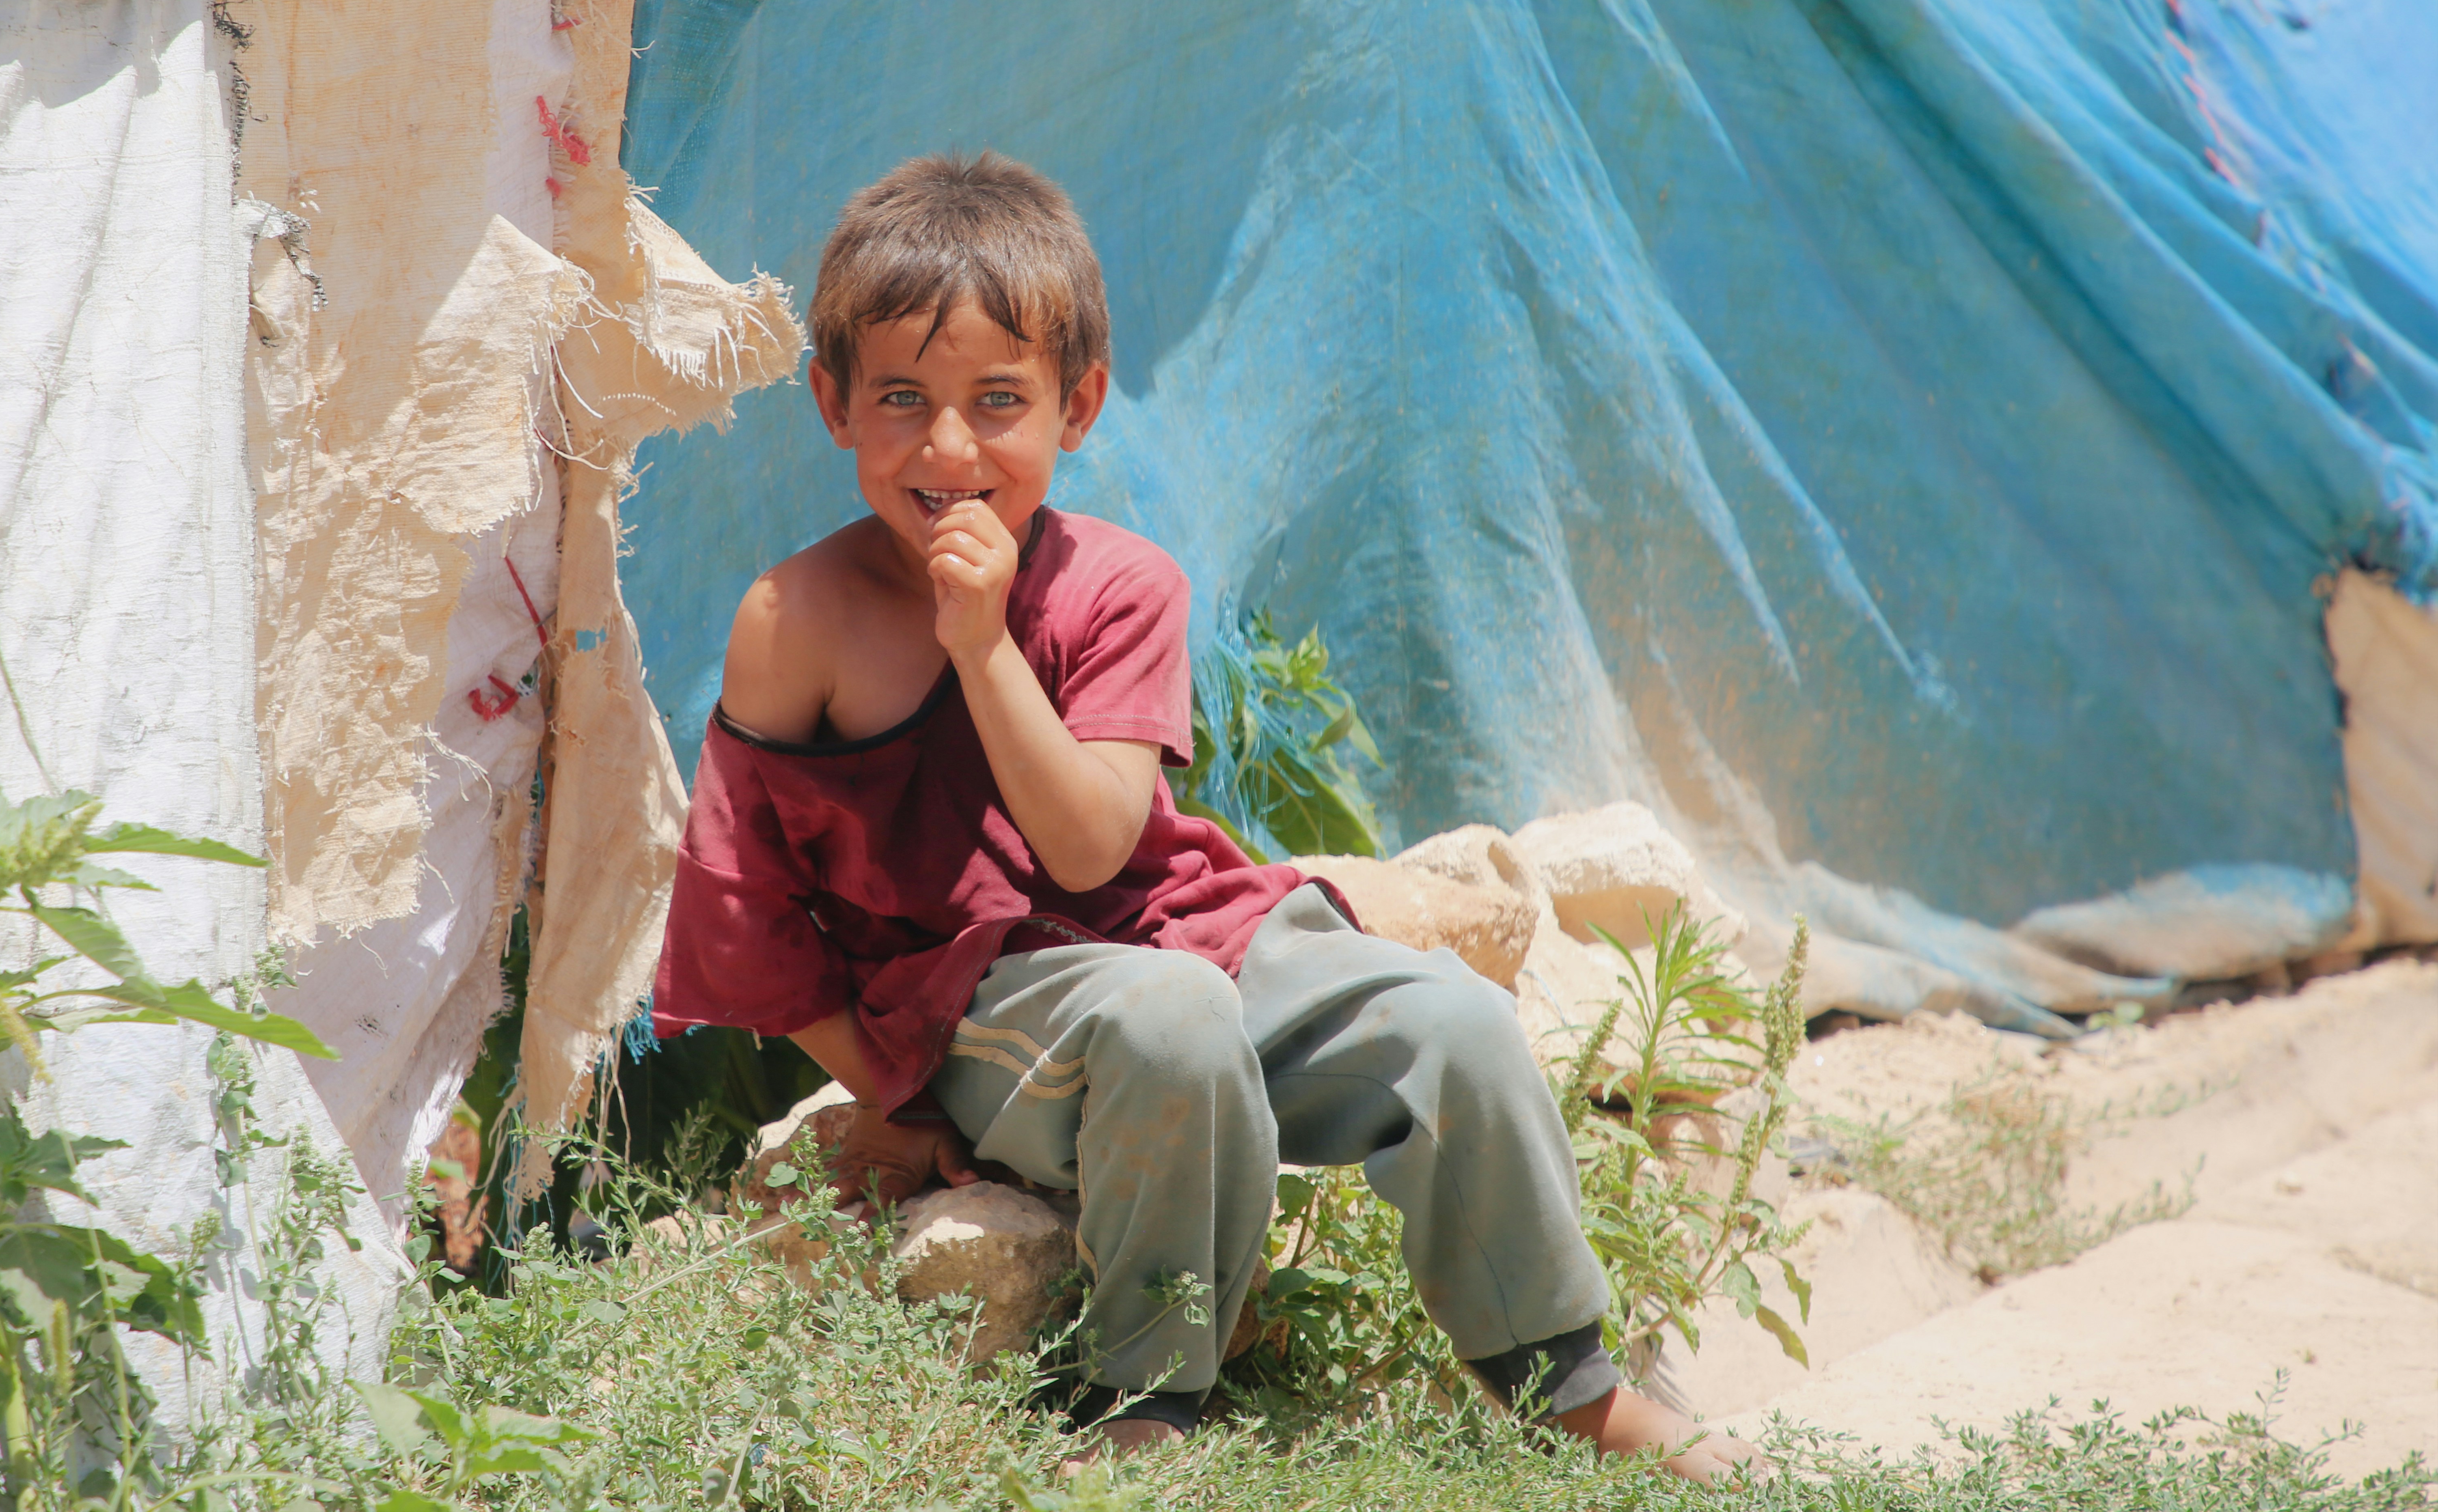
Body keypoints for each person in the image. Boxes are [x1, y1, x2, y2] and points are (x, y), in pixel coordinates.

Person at [652, 151, 1756, 1481]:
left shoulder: (1124, 587)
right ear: (832, 403)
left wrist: (986, 647)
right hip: (987, 1006)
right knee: (1169, 1021)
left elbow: (1095, 847)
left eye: (1000, 401)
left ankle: (1563, 1376)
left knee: (1450, 1022)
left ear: (1082, 404)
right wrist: (895, 1092)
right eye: (902, 399)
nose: (949, 448)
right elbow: (747, 914)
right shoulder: (797, 624)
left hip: (1191, 938)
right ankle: (1152, 1399)